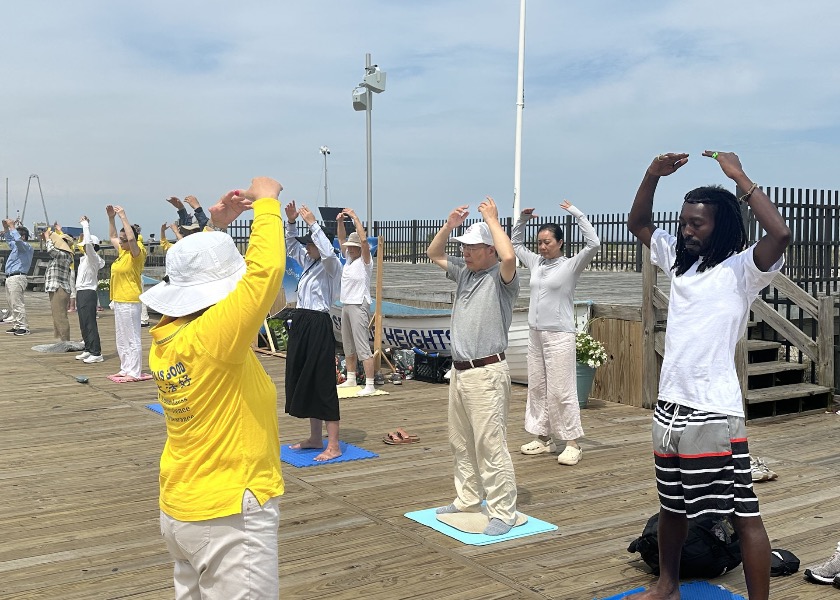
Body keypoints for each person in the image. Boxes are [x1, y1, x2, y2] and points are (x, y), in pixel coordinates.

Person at [626, 150, 790, 600]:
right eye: (683, 222)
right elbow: (638, 223)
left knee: (741, 513)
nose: (686, 230)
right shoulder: (681, 262)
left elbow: (780, 233)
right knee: (672, 507)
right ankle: (667, 585)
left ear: (722, 226)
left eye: (697, 223)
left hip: (714, 412)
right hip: (670, 407)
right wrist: (651, 175)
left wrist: (738, 177)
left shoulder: (742, 270)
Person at [140, 178, 285, 599]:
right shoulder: (214, 339)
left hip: (183, 504)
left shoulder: (169, 336)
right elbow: (265, 275)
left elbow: (198, 278)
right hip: (228, 513)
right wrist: (267, 203)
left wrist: (214, 228)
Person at [427, 196, 520, 536]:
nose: (465, 252)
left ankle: (502, 511)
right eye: (464, 247)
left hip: (487, 372)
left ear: (489, 250)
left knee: (489, 443)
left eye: (473, 247)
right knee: (461, 441)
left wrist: (493, 220)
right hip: (460, 372)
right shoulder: (465, 274)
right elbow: (434, 254)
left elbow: (509, 255)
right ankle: (467, 498)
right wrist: (449, 226)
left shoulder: (502, 276)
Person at [512, 200, 601, 466]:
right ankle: (543, 438)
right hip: (535, 334)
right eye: (539, 242)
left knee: (561, 390)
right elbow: (515, 245)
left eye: (547, 242)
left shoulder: (571, 265)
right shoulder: (536, 263)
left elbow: (594, 243)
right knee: (537, 388)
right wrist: (522, 220)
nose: (542, 246)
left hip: (560, 335)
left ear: (560, 243)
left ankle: (572, 443)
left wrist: (577, 213)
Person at [283, 200, 343, 461]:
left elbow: (330, 254)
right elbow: (290, 246)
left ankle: (334, 444)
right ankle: (315, 437)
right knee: (303, 377)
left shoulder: (331, 265)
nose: (307, 248)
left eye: (311, 244)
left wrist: (313, 224)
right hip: (302, 322)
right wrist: (293, 222)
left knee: (322, 381)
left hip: (318, 323)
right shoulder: (308, 262)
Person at [335, 207, 376, 396]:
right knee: (348, 344)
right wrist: (340, 222)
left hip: (359, 304)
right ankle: (351, 378)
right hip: (346, 304)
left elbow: (365, 240)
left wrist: (355, 218)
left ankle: (370, 384)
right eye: (349, 247)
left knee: (362, 346)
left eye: (353, 247)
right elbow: (341, 239)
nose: (349, 249)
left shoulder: (365, 261)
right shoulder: (349, 259)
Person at [106, 205, 146, 380]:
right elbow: (113, 236)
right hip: (119, 299)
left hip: (130, 300)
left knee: (132, 337)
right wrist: (111, 218)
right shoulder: (123, 252)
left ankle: (135, 371)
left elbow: (130, 239)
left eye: (124, 240)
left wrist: (123, 216)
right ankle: (125, 368)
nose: (120, 243)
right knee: (121, 337)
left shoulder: (137, 254)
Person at [74, 216, 106, 363]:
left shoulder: (93, 258)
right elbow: (86, 244)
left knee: (89, 322)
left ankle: (96, 352)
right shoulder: (85, 259)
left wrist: (85, 225)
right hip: (81, 291)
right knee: (83, 322)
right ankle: (88, 348)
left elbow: (88, 244)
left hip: (88, 292)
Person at [43, 227, 75, 342]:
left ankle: (65, 340)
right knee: (57, 315)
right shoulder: (64, 255)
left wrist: (48, 238)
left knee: (60, 316)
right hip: (57, 288)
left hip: (59, 289)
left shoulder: (64, 255)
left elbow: (51, 250)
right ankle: (60, 339)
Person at [2, 219, 34, 336]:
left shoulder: (26, 247)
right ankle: (16, 325)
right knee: (11, 303)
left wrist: (12, 226)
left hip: (17, 277)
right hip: (10, 277)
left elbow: (18, 241)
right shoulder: (16, 248)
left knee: (17, 303)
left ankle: (24, 327)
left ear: (23, 236)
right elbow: (10, 239)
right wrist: (6, 228)